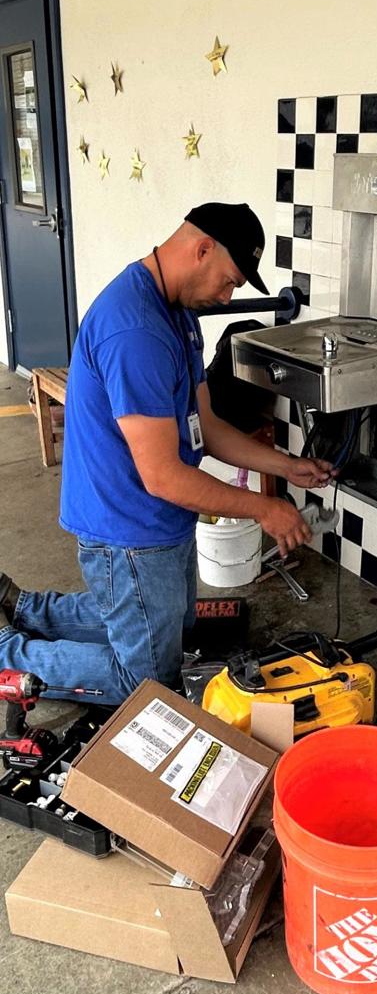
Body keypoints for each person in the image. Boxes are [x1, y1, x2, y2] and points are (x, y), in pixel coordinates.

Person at [0, 202, 333, 706]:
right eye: (229, 281)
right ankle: (10, 654)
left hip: (159, 520)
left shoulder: (177, 315)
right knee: (147, 683)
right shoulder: (135, 331)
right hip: (129, 526)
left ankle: (24, 607)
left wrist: (286, 467)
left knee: (165, 621)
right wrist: (265, 508)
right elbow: (161, 476)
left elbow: (208, 428)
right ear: (201, 250)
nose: (227, 295)